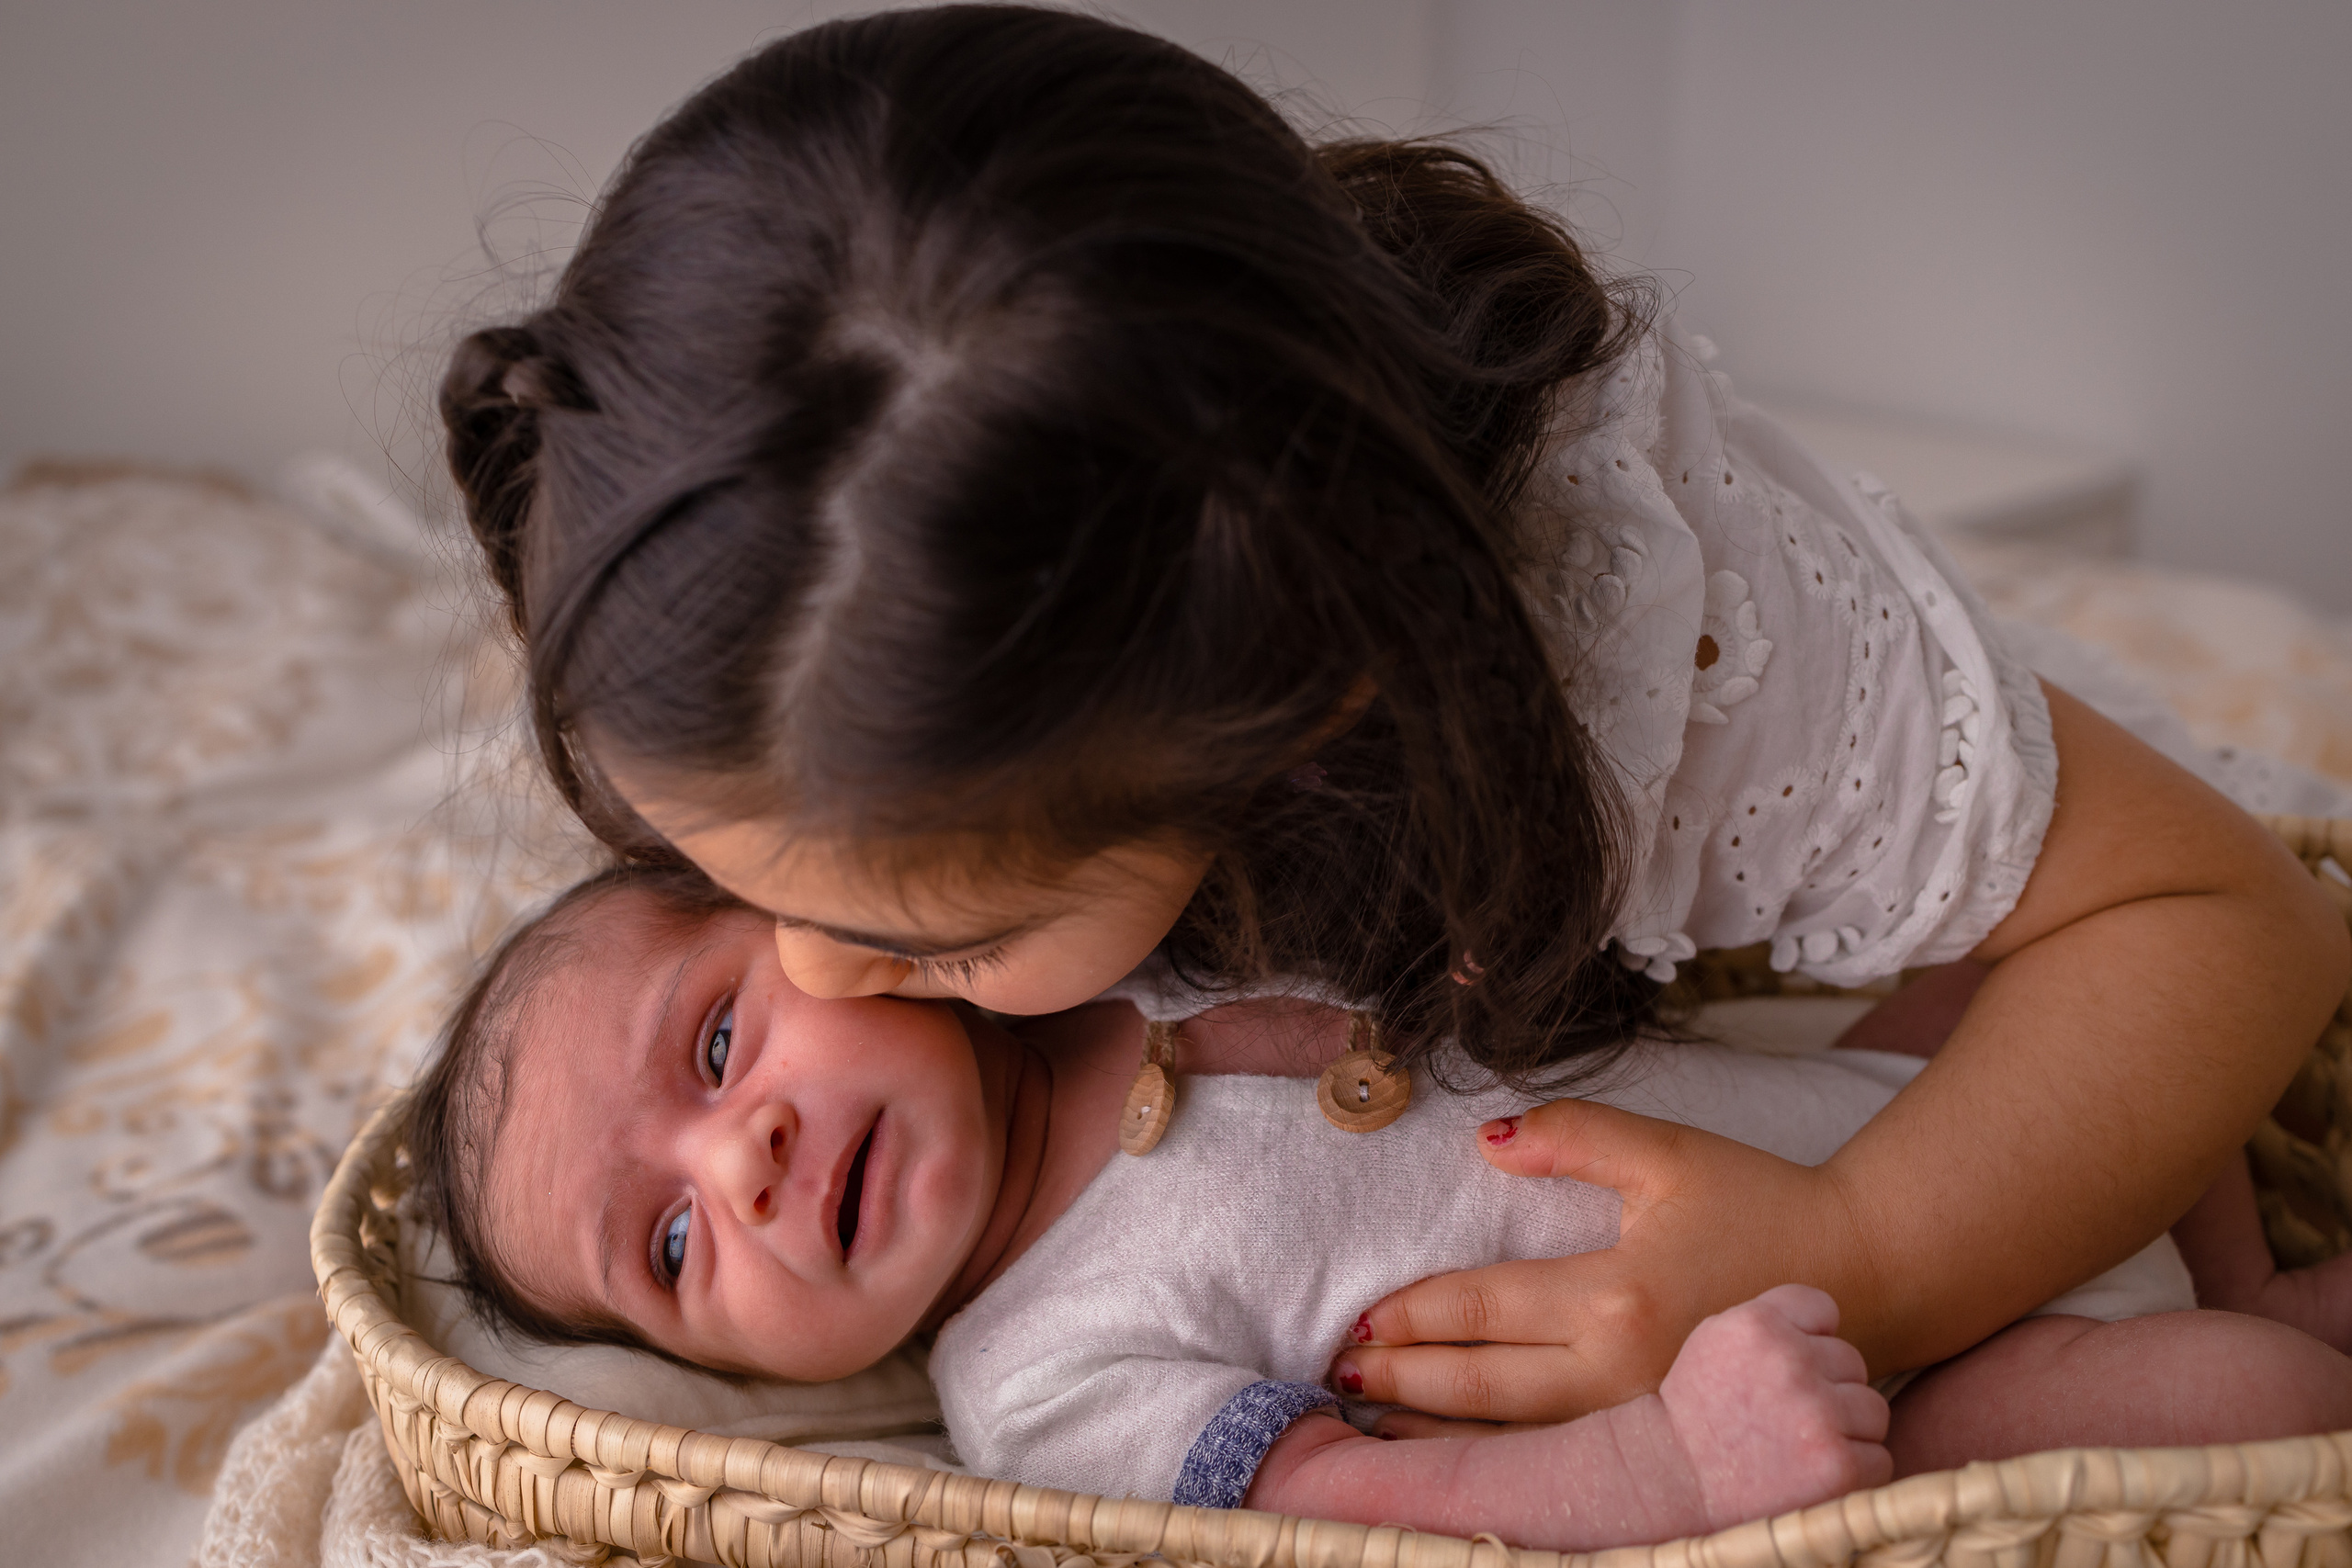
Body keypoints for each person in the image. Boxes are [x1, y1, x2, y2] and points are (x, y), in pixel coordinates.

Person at [437, 5, 2352, 1416]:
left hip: (2040, 883)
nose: (815, 977)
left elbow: (2232, 923)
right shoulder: (880, 671)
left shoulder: (1690, 670)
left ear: (1294, 721)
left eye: (947, 939)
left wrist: (1861, 1251)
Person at [403, 865, 2350, 1545]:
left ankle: (2244, 1257)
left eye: (717, 1038)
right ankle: (2255, 1322)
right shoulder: (1037, 1378)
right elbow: (1350, 1507)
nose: (735, 1160)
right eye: (671, 1247)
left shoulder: (1109, 936)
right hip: (1855, 1373)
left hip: (1878, 1128)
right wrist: (1671, 1466)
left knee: (2101, 964)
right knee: (2260, 1407)